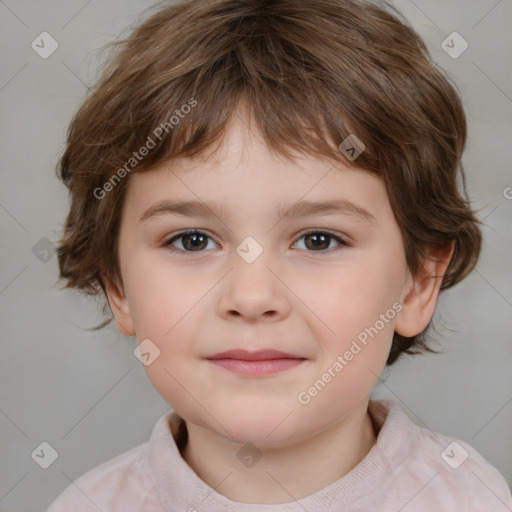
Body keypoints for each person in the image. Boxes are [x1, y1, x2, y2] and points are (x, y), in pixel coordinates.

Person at [47, 0, 512, 510]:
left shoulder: (471, 497)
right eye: (192, 240)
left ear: (418, 281)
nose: (252, 297)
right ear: (117, 285)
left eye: (318, 240)